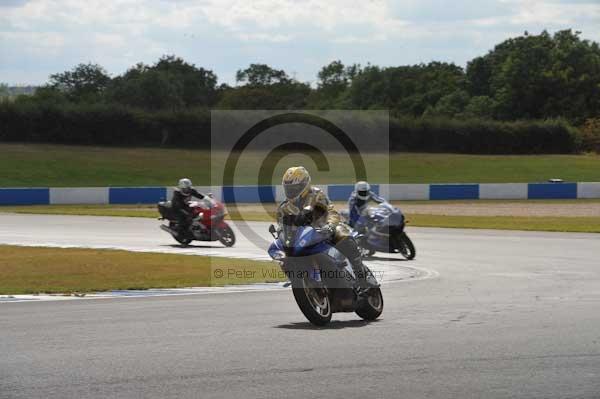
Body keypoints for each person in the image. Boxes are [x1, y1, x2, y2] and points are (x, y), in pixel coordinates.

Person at [277, 167, 379, 294]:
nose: (291, 191)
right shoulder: (284, 208)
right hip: (304, 239)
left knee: (344, 237)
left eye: (295, 188)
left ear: (305, 184)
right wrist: (282, 239)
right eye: (288, 189)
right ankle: (298, 279)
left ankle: (362, 277)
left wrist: (330, 226)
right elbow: (282, 228)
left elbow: (330, 211)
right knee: (285, 258)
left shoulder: (316, 194)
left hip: (325, 230)